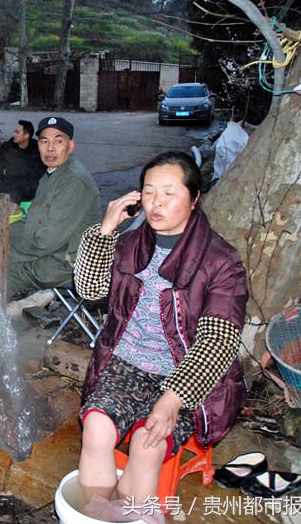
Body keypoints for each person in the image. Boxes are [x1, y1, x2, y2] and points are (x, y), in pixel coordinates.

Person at [74, 151, 247, 520]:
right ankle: (97, 514)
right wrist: (104, 232)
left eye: (169, 192)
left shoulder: (221, 261)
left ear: (194, 197)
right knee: (96, 429)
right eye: (149, 191)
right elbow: (89, 291)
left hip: (182, 376)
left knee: (147, 445)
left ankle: (132, 512)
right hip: (125, 364)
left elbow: (219, 341)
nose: (157, 202)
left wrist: (172, 400)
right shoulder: (130, 244)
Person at [7, 116, 100, 300]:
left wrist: (8, 250)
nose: (50, 148)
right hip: (52, 255)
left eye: (58, 141)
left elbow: (46, 242)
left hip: (63, 264)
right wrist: (2, 232)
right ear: (38, 145)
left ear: (70, 145)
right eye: (44, 141)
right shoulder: (53, 174)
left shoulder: (72, 181)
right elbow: (32, 220)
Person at [0, 120, 44, 214]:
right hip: (10, 181)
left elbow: (44, 169)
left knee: (15, 191)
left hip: (30, 184)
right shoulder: (8, 146)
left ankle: (9, 221)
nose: (14, 134)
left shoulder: (37, 148)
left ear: (26, 135)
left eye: (17, 132)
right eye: (14, 131)